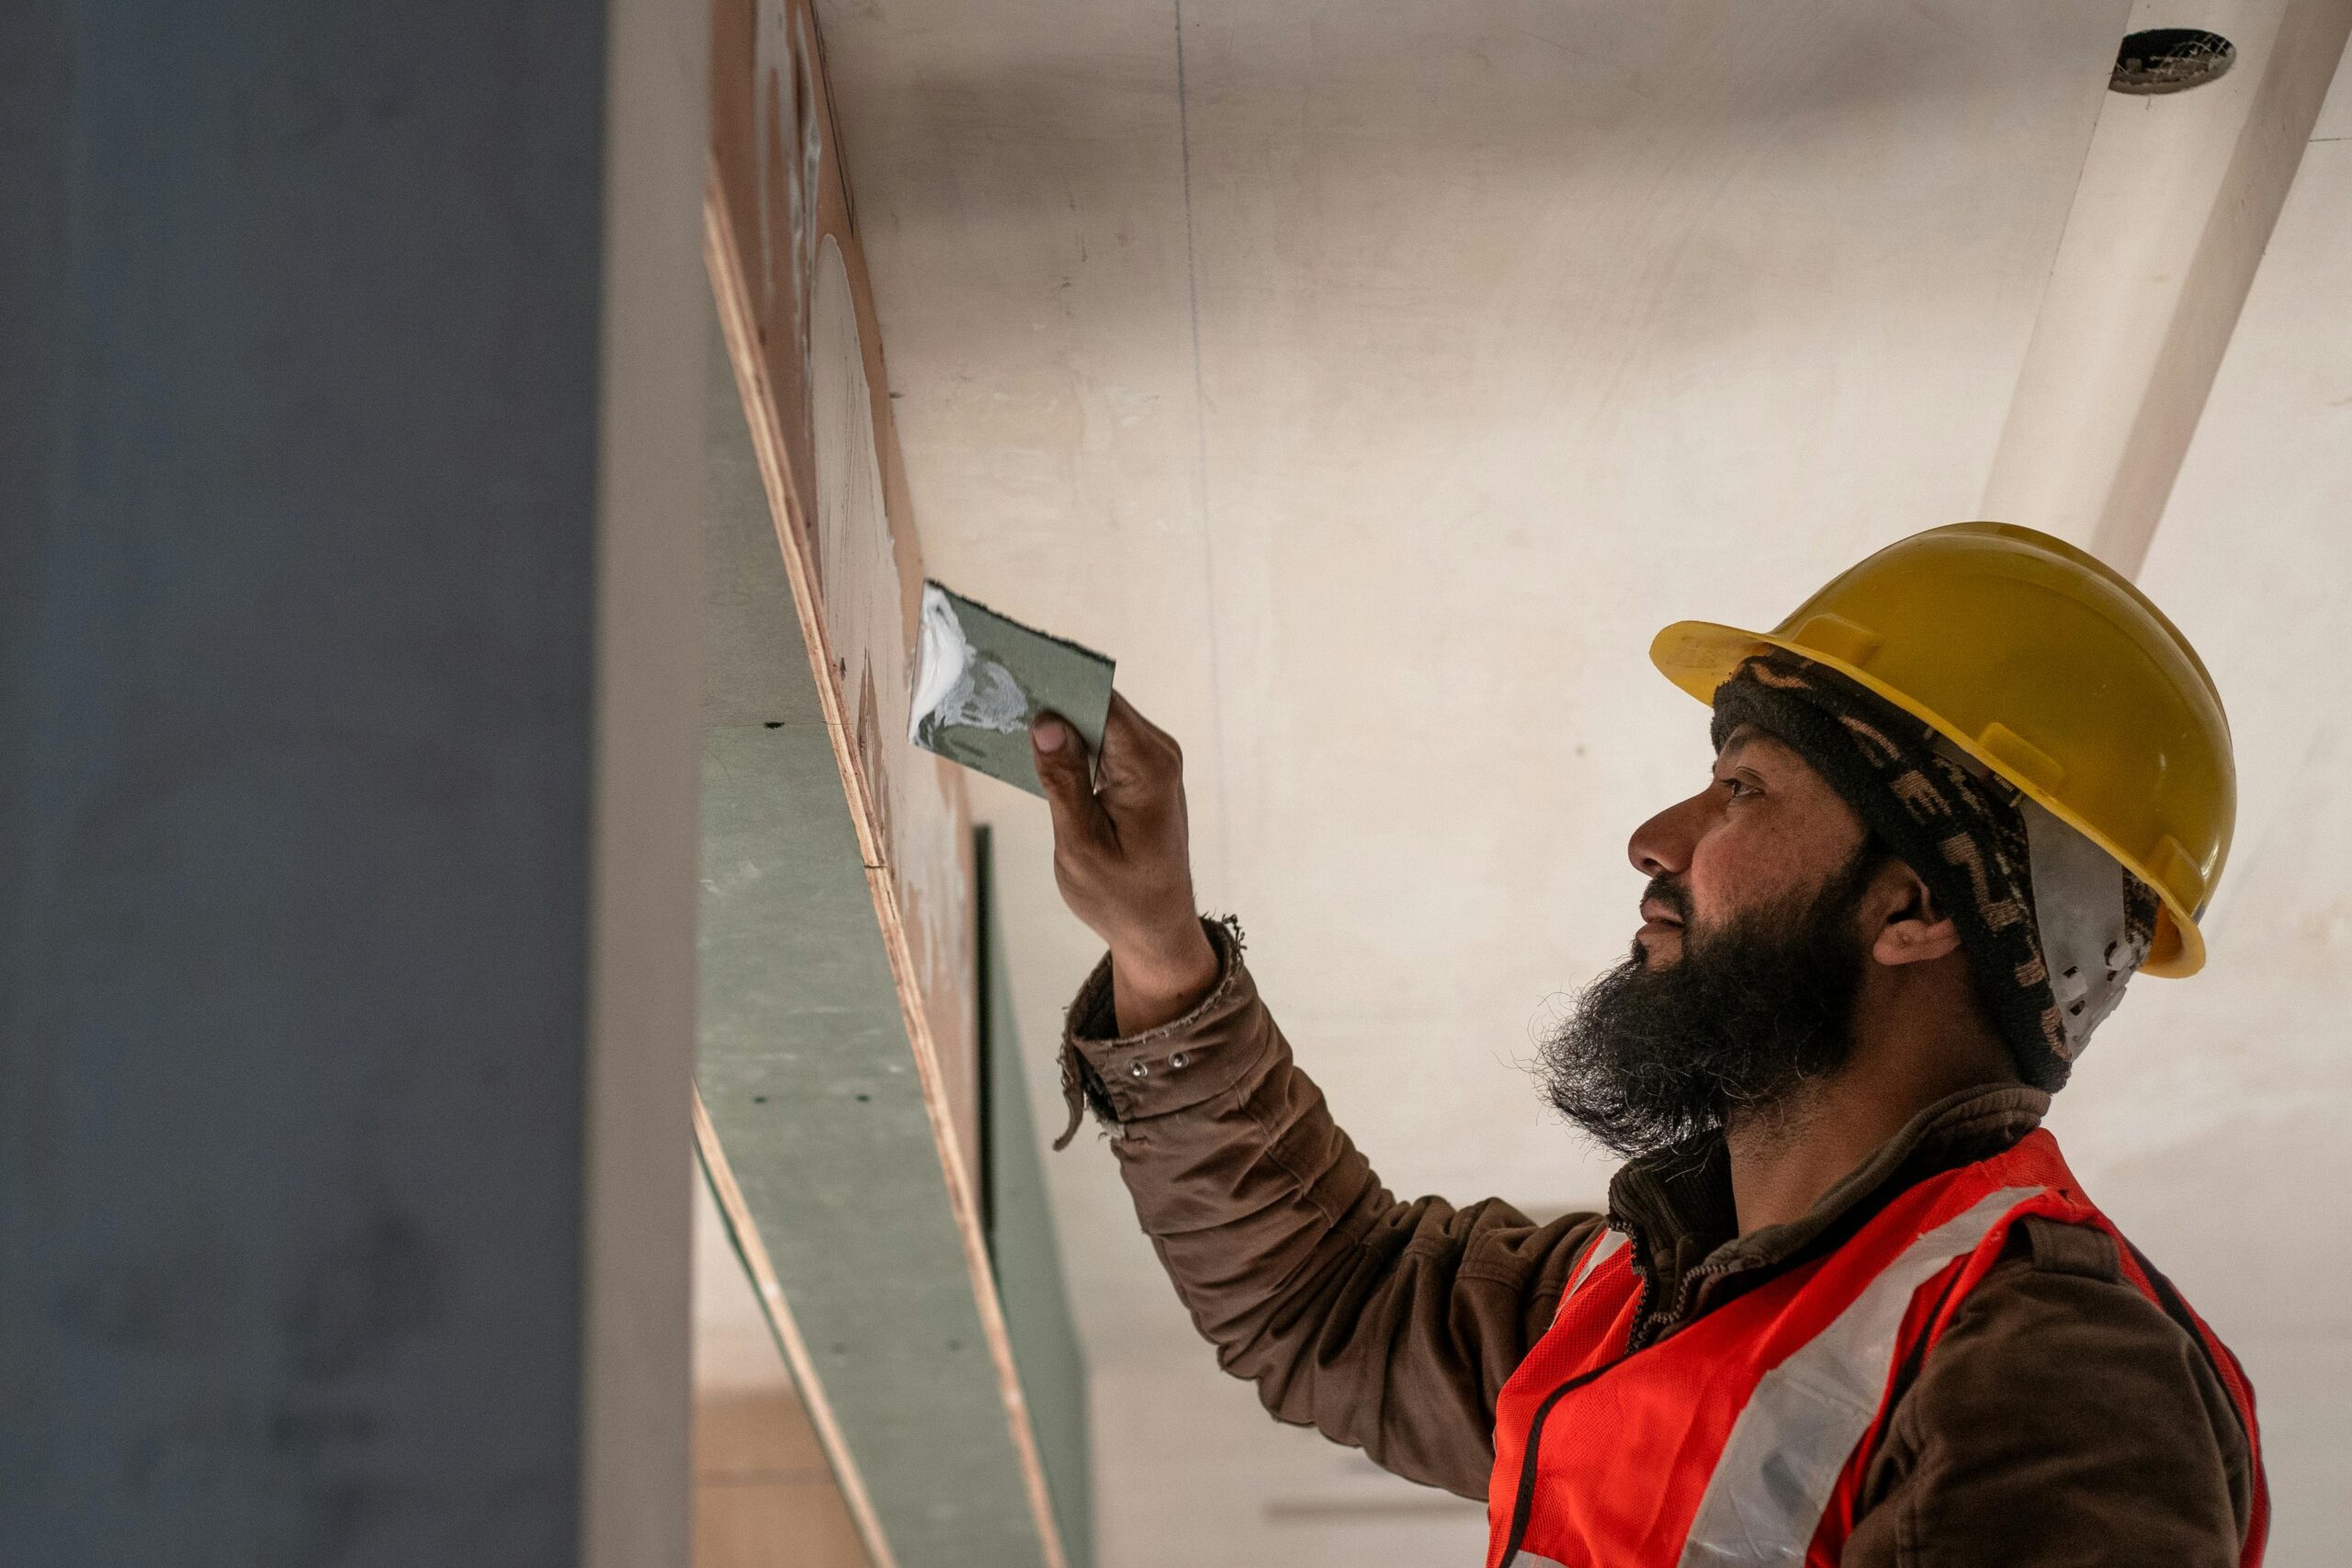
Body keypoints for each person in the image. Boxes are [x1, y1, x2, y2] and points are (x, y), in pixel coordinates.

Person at [1028, 524, 2266, 1566]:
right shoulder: (1649, 1290)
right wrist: (1158, 949)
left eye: (1743, 790)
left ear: (1916, 906)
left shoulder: (2059, 1368)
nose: (1655, 839)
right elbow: (1331, 1299)